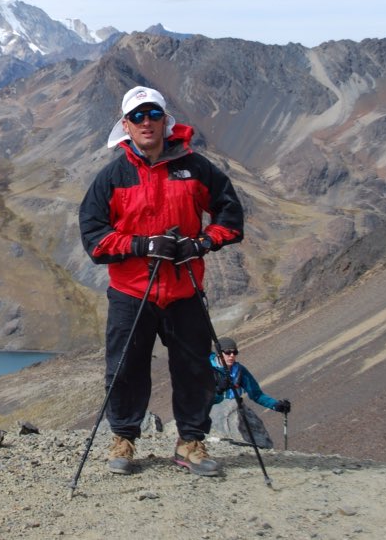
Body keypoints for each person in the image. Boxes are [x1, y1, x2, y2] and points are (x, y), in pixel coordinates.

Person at [79, 85, 244, 477]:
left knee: (193, 369)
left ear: (165, 120)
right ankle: (124, 438)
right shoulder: (112, 177)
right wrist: (142, 245)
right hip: (132, 292)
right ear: (125, 125)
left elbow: (230, 215)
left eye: (153, 114)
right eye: (137, 117)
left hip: (184, 288)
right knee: (124, 367)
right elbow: (95, 238)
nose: (146, 122)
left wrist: (202, 243)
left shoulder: (195, 167)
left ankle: (190, 442)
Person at [211, 337, 290, 413]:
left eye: (235, 352)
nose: (232, 355)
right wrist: (219, 390)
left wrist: (275, 405)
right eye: (228, 352)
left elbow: (256, 395)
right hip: (214, 415)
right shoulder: (208, 370)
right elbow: (203, 402)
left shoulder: (239, 370)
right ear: (219, 354)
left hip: (236, 411)